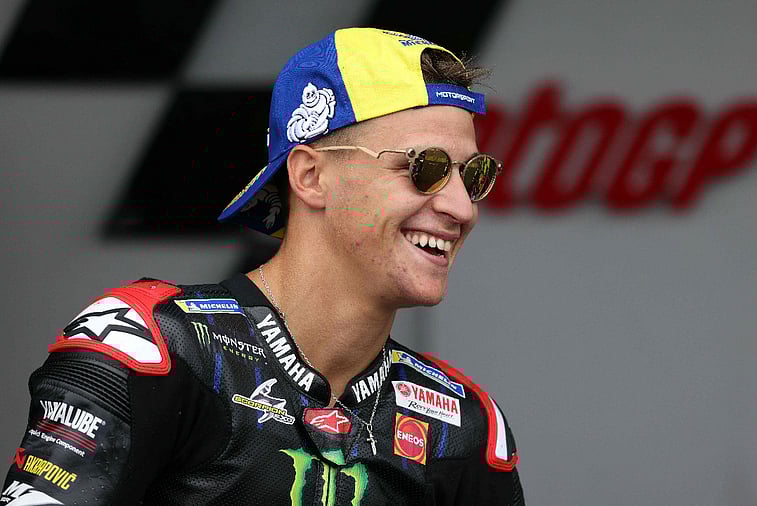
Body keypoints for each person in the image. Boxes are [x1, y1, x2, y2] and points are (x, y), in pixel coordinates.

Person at [2, 28, 523, 505]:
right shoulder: (151, 346)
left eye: (474, 175)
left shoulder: (465, 426)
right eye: (423, 168)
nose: (461, 207)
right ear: (311, 176)